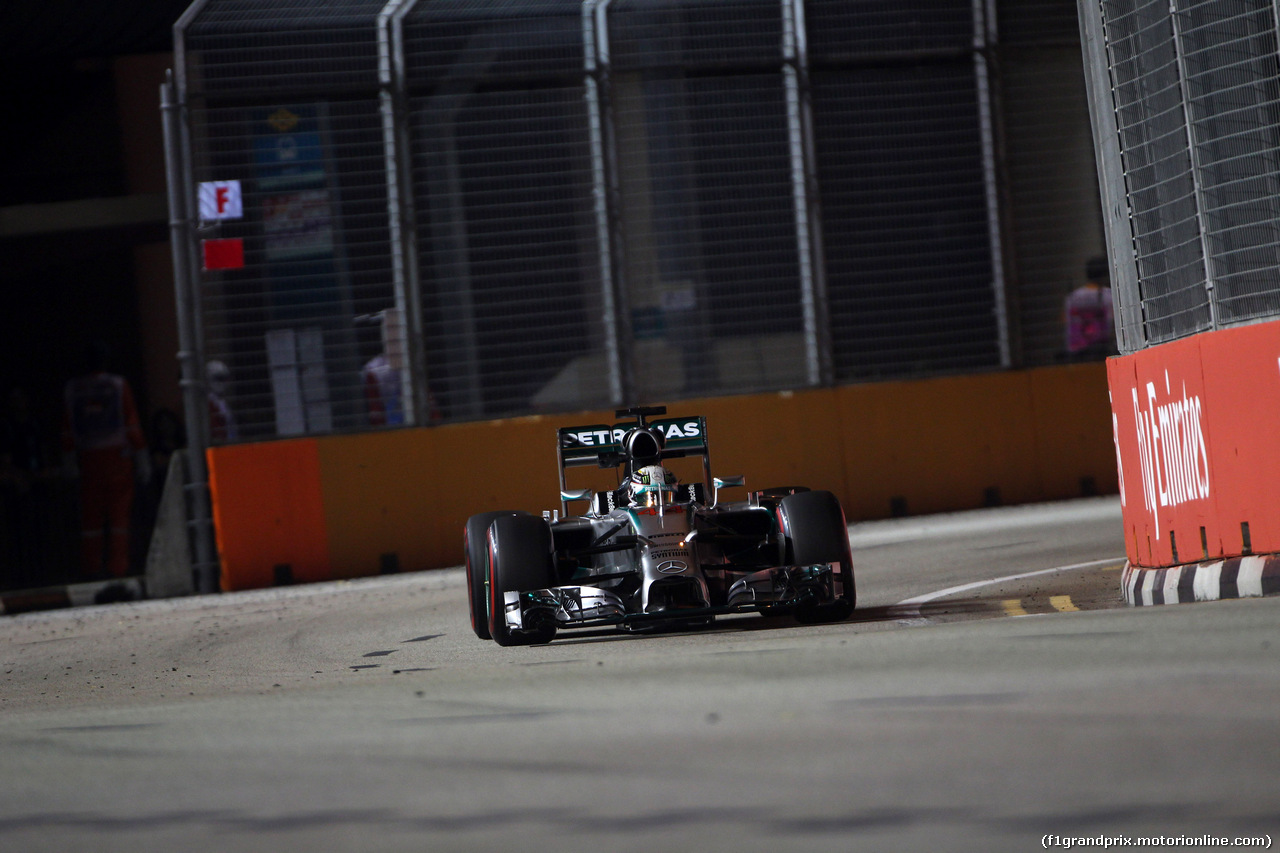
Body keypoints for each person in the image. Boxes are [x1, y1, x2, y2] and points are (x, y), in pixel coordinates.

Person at [62, 342, 148, 580]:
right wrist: (143, 460)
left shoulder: (72, 388)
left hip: (88, 460)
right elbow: (131, 424)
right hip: (118, 459)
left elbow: (67, 429)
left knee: (91, 520)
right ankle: (118, 568)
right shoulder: (118, 385)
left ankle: (91, 569)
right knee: (119, 518)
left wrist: (69, 462)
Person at [1064, 256, 1115, 360]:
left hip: (1076, 352)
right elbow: (1113, 321)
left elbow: (1065, 320)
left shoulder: (1073, 297)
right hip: (1101, 352)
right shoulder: (1109, 296)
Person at [207, 360, 238, 442]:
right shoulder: (208, 403)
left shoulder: (222, 401)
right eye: (219, 379)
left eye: (225, 379)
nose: (222, 383)